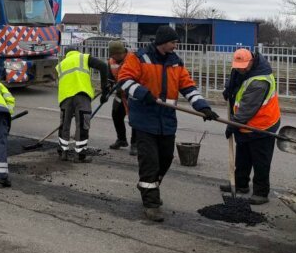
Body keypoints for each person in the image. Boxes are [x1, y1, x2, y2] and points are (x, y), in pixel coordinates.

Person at [117, 25, 218, 222]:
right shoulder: (139, 57)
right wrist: (142, 93)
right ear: (163, 42)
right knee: (150, 162)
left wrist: (203, 107)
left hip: (167, 121)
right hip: (144, 120)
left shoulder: (175, 62)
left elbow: (188, 87)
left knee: (165, 159)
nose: (176, 46)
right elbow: (124, 80)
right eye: (173, 42)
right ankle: (151, 203)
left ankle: (150, 185)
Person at [219, 48, 281, 205]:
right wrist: (229, 89)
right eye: (238, 66)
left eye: (244, 66)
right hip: (245, 124)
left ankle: (261, 193)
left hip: (262, 125)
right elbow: (234, 79)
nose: (241, 69)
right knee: (243, 156)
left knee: (260, 160)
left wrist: (232, 124)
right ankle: (240, 184)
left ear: (252, 61)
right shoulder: (241, 69)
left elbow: (247, 108)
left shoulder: (260, 81)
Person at [56, 45, 111, 163]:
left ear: (66, 54)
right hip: (82, 96)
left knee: (64, 125)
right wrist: (104, 90)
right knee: (82, 125)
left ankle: (63, 152)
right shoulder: (83, 57)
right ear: (77, 51)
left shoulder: (60, 65)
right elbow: (103, 66)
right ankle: (79, 156)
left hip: (65, 98)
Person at [106, 39, 136, 155]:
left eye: (118, 54)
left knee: (135, 119)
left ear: (123, 52)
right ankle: (122, 139)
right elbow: (110, 79)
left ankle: (135, 144)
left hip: (133, 94)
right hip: (120, 94)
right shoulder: (111, 61)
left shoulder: (133, 59)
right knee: (116, 115)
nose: (116, 57)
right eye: (113, 55)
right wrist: (107, 90)